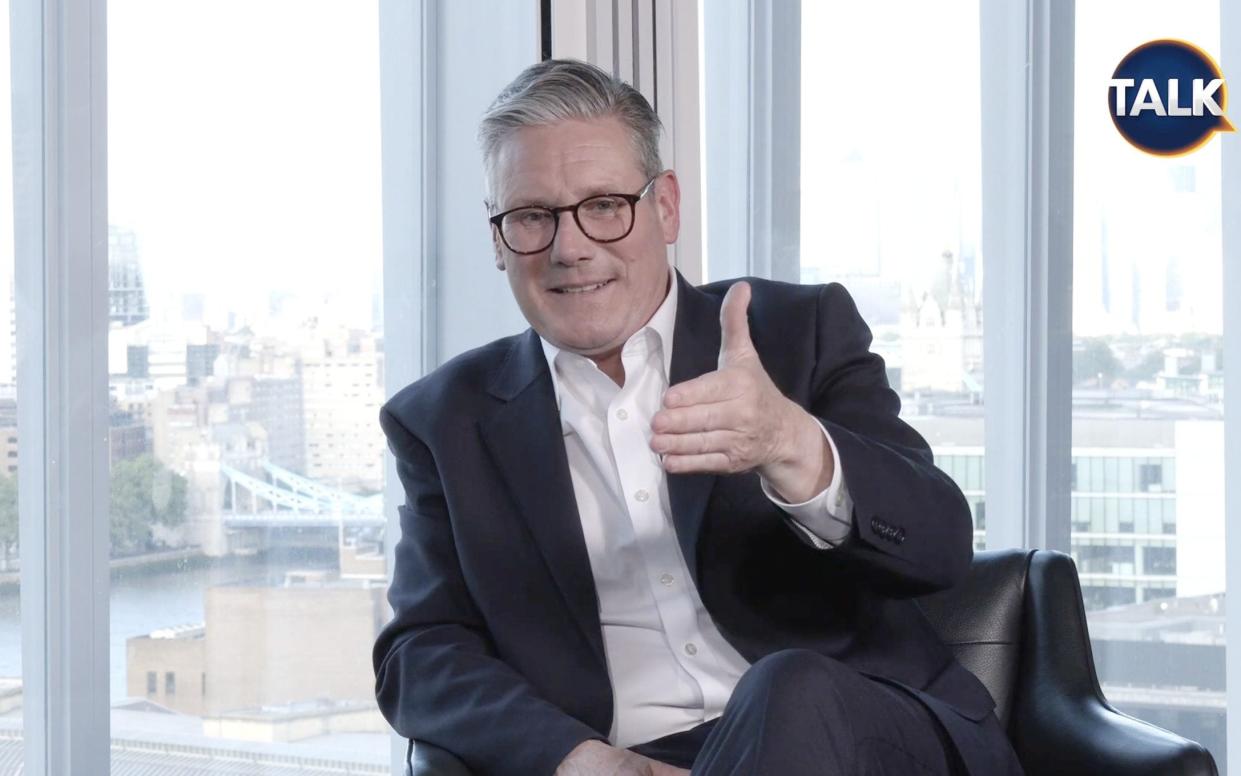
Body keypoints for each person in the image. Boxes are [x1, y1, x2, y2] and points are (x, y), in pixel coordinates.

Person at [374, 58, 1024, 776]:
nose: (569, 247)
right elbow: (421, 652)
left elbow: (937, 546)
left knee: (784, 688)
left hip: (865, 733)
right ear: (498, 239)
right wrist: (577, 757)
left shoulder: (796, 332)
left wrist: (789, 441)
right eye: (531, 217)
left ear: (665, 207)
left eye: (604, 204)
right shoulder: (445, 421)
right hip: (638, 759)